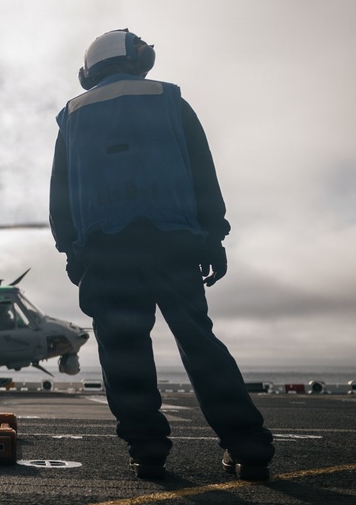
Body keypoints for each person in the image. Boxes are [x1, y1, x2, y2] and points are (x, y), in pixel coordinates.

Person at [49, 29, 274, 481]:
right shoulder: (170, 100)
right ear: (139, 59)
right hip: (173, 243)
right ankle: (248, 447)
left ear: (89, 71)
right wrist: (214, 236)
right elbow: (202, 174)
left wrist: (72, 253)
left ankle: (147, 452)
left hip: (105, 251)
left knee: (123, 349)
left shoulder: (72, 115)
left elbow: (60, 195)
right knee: (199, 342)